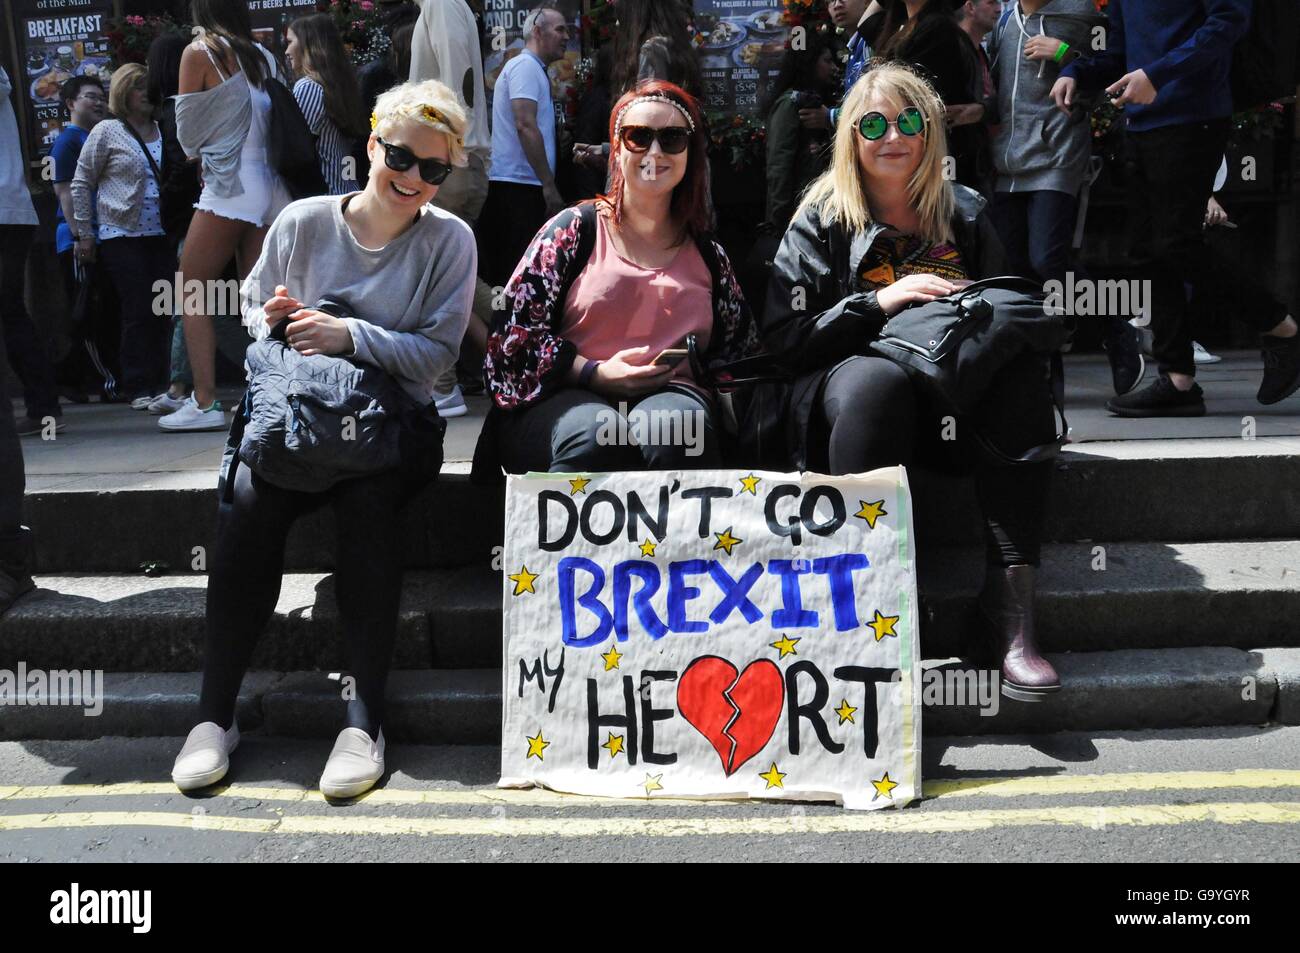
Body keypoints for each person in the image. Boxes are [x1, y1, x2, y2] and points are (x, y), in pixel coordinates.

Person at [170, 80, 477, 797]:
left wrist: (348, 335)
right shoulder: (304, 221)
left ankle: (362, 718)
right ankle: (214, 716)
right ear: (371, 146)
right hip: (297, 419)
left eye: (435, 169)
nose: (414, 179)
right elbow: (251, 312)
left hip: (393, 424)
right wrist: (276, 319)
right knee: (247, 498)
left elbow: (435, 358)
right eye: (402, 156)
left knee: (369, 498)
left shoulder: (450, 241)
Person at [763, 63, 1061, 701]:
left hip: (954, 402)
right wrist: (880, 303)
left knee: (1017, 377)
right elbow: (786, 342)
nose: (891, 135)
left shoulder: (968, 212)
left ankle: (1008, 613)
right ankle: (864, 616)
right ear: (850, 137)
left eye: (908, 121)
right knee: (878, 384)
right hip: (858, 406)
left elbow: (1010, 319)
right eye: (872, 123)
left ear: (931, 133)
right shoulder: (820, 218)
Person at [473, 80, 761, 478]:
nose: (655, 152)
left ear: (690, 153)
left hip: (673, 397)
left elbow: (740, 355)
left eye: (672, 138)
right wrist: (591, 372)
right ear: (617, 147)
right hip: (567, 396)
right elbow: (509, 343)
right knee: (593, 436)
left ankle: (679, 543)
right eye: (638, 137)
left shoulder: (709, 255)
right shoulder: (570, 233)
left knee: (678, 430)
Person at [1056, 0, 1299, 415]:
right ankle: (1178, 381)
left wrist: (1158, 73)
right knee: (1146, 251)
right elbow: (1119, 53)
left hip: (1195, 115)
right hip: (1142, 123)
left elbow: (1230, 21)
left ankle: (1282, 329)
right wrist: (1075, 72)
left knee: (1176, 243)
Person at [988, 0, 1144, 396]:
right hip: (1005, 159)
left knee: (1048, 258)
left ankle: (1115, 325)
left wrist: (1066, 56)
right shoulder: (1003, 19)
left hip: (1056, 153)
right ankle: (1038, 368)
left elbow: (1115, 67)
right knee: (1016, 269)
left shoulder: (1081, 14)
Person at [163, 0, 292, 432]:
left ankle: (204, 404)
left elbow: (186, 138)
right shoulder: (264, 55)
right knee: (257, 297)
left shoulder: (200, 52)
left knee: (191, 289)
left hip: (229, 184)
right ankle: (274, 394)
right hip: (271, 186)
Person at [71, 63, 173, 407]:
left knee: (164, 308)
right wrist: (84, 233)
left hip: (163, 231)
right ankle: (138, 384)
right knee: (138, 308)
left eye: (150, 87)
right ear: (123, 92)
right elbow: (82, 181)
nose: (147, 93)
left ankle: (164, 382)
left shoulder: (164, 129)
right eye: (139, 87)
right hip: (121, 233)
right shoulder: (107, 131)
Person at [409, 0, 493, 416]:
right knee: (450, 274)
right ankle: (519, 344)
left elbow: (454, 88)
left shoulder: (441, 4)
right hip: (452, 159)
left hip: (450, 160)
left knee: (441, 272)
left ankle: (444, 386)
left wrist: (437, 150)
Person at [477, 6, 571, 289]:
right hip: (517, 188)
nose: (567, 36)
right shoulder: (525, 66)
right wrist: (548, 184)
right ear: (537, 31)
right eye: (560, 29)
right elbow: (525, 124)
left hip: (521, 185)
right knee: (515, 274)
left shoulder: (531, 68)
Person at [872, 0, 990, 193]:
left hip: (940, 154)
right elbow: (866, 24)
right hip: (917, 148)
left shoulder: (938, 29)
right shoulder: (900, 27)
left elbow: (912, 97)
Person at [2, 67, 62, 436]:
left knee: (9, 311)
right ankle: (43, 407)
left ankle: (41, 407)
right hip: (13, 207)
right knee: (10, 311)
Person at [50, 75, 116, 405]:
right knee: (87, 313)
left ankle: (71, 378)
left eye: (101, 96)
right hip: (77, 240)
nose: (98, 102)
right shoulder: (67, 142)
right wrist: (80, 236)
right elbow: (64, 191)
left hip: (97, 235)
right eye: (90, 96)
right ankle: (100, 380)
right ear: (70, 104)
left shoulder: (96, 136)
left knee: (96, 310)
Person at [287, 14, 369, 197]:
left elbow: (297, 150)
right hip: (347, 193)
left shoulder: (308, 87)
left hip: (324, 199)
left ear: (307, 45)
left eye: (290, 42)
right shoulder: (341, 87)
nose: (286, 50)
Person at [764, 32, 837, 232]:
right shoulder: (790, 104)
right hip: (797, 213)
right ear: (810, 63)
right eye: (827, 61)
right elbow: (779, 163)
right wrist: (778, 218)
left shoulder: (818, 103)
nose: (834, 68)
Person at [610, 0, 702, 97]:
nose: (617, 23)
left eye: (622, 14)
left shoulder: (652, 50)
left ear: (636, 15)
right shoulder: (674, 45)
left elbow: (650, 106)